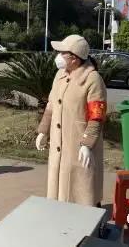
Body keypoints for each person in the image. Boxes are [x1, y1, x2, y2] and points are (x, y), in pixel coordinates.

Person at [35, 34, 108, 206]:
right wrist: (43, 131)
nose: (58, 56)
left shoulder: (92, 79)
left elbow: (97, 116)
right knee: (59, 192)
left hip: (79, 146)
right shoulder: (59, 75)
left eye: (62, 53)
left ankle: (89, 218)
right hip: (59, 145)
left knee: (82, 192)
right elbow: (51, 105)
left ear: (74, 58)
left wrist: (87, 144)